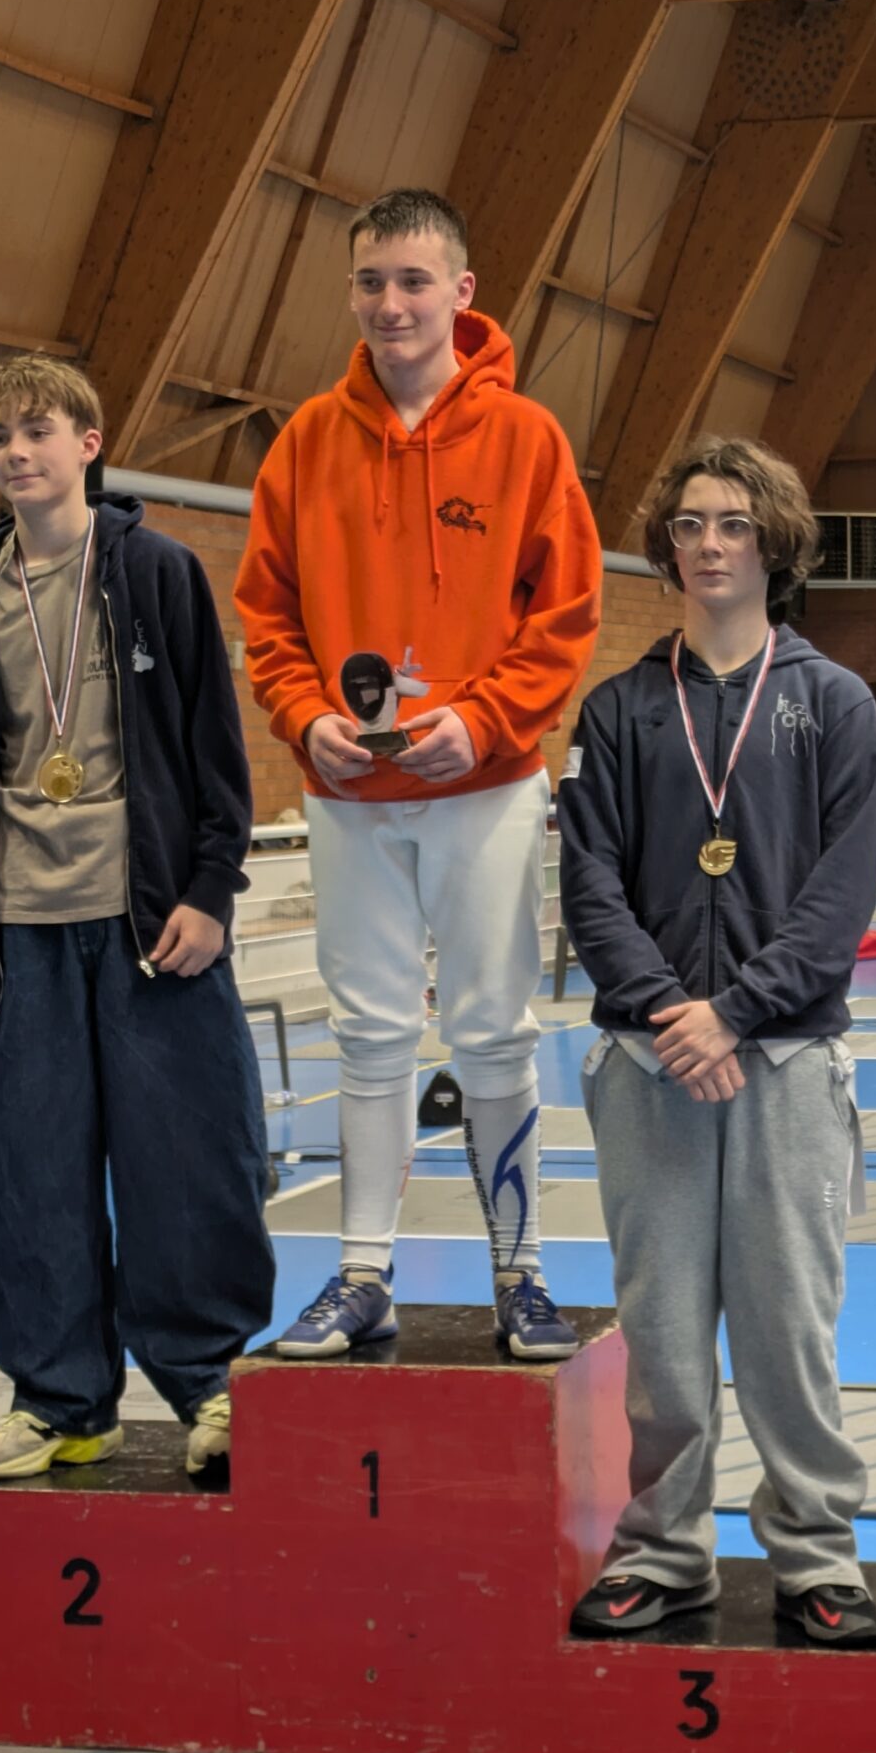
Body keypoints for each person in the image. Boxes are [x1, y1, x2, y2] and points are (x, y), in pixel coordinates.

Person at [238, 187, 601, 1362]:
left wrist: (486, 720)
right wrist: (304, 718)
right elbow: (265, 617)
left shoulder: (526, 437)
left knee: (492, 1031)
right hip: (349, 796)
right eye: (369, 282)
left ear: (460, 291)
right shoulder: (305, 441)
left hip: (485, 788)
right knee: (369, 1033)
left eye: (411, 280)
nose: (389, 303)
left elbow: (566, 612)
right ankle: (363, 1275)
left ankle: (520, 1273)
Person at [0, 354, 275, 1481]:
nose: (16, 452)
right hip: (19, 934)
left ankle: (210, 1388)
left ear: (88, 441)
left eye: (37, 430)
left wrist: (210, 892)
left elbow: (215, 749)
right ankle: (62, 1402)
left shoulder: (158, 573)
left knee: (186, 1164)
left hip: (151, 927)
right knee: (32, 1175)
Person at [557, 437, 876, 1646]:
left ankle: (815, 1552)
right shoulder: (619, 709)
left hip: (784, 1057)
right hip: (647, 1059)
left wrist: (734, 1012)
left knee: (788, 1324)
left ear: (773, 544)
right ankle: (662, 1549)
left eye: (733, 524)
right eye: (690, 523)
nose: (708, 544)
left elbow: (841, 895)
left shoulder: (833, 702)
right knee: (658, 1330)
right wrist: (668, 1012)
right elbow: (588, 884)